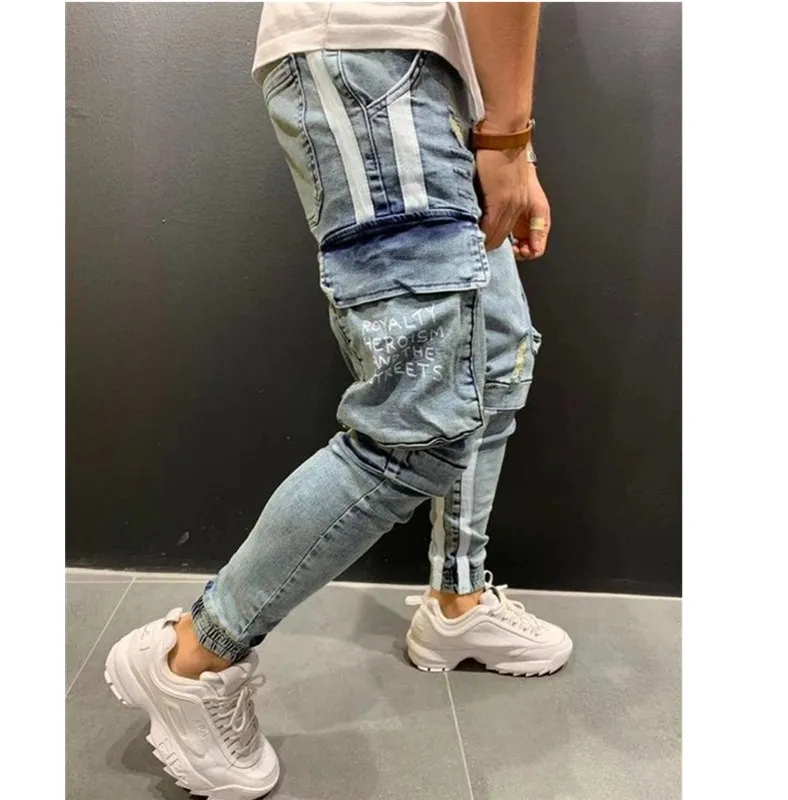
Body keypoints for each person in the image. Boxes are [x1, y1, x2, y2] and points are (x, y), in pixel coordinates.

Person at [103, 3, 573, 798]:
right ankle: (193, 657)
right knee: (414, 429)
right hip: (377, 64)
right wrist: (507, 140)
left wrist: (501, 138)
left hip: (424, 78)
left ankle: (458, 603)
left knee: (494, 364)